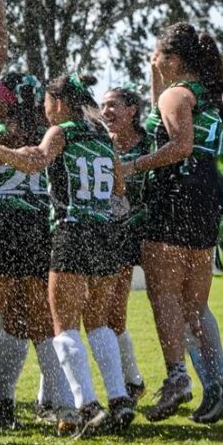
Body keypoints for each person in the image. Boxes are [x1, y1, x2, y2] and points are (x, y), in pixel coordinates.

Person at [0, 72, 132, 437]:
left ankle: (88, 406)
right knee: (99, 323)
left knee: (64, 326)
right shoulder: (103, 136)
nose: (43, 108)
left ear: (58, 103)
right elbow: (119, 187)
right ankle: (120, 398)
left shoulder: (60, 132)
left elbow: (35, 162)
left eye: (46, 101)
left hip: (72, 231)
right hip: (105, 232)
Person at [121, 22, 223, 423]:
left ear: (173, 59)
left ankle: (178, 377)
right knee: (196, 304)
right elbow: (164, 115)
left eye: (158, 55)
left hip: (175, 196)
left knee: (165, 296)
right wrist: (154, 73)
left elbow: (179, 145)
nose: (154, 60)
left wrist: (133, 166)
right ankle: (221, 383)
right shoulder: (207, 94)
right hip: (206, 197)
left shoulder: (176, 95)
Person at [0, 72, 75, 432]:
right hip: (39, 232)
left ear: (4, 101)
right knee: (42, 327)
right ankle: (64, 409)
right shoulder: (51, 136)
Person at [100, 86, 152, 402]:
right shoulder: (100, 143)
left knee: (171, 306)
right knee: (111, 314)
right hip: (112, 236)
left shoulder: (150, 143)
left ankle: (179, 379)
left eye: (113, 105)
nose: (106, 111)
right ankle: (132, 381)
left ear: (132, 110)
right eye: (103, 105)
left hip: (146, 233)